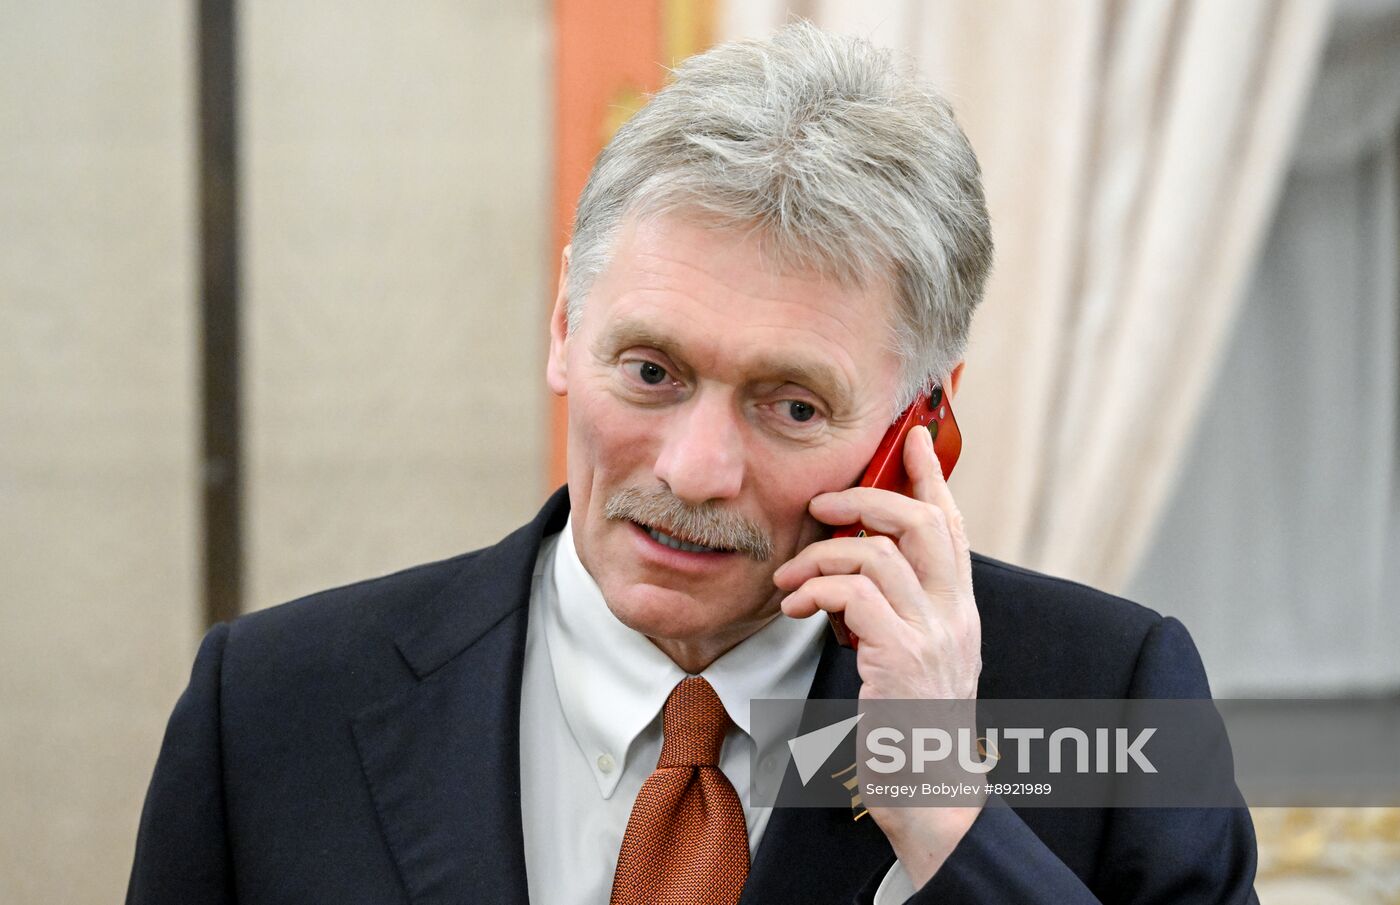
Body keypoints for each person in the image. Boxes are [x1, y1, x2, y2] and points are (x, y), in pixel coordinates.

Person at [127, 22, 1259, 905]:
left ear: (923, 418)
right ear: (564, 323)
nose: (696, 468)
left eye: (792, 404)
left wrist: (945, 812)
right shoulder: (269, 704)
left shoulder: (1112, 698)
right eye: (652, 371)